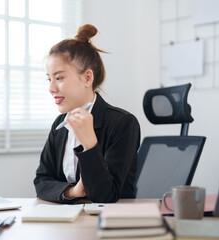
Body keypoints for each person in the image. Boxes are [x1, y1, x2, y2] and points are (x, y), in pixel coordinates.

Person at [34, 24, 140, 203]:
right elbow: (41, 182)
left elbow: (107, 196)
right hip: (67, 220)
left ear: (87, 78)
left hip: (109, 221)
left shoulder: (123, 124)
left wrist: (89, 143)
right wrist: (73, 191)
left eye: (59, 78)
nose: (51, 88)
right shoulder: (60, 125)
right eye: (49, 79)